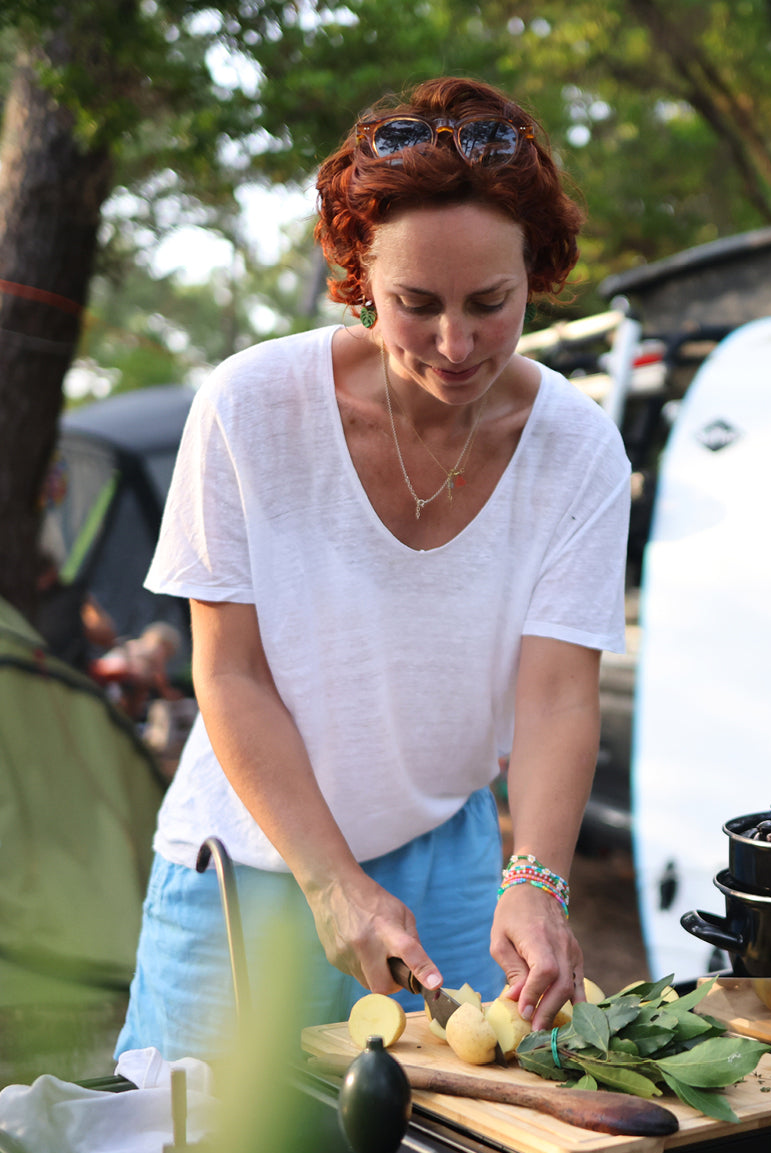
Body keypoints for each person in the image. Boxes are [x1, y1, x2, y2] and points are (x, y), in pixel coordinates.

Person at [115, 77, 631, 1062]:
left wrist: (538, 879)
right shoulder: (249, 408)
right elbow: (229, 673)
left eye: (491, 303)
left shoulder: (578, 448)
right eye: (415, 304)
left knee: (454, 1148)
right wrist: (330, 880)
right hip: (258, 855)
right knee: (197, 1149)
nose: (455, 344)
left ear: (536, 271)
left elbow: (559, 694)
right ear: (357, 276)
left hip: (454, 859)